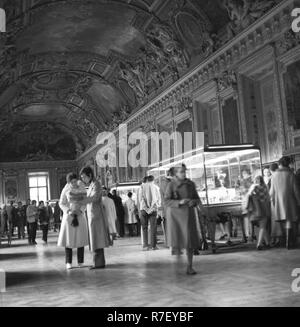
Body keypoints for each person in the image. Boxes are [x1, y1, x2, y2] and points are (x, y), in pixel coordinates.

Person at [164, 164, 202, 275]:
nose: (183, 173)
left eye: (184, 171)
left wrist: (193, 202)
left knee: (189, 242)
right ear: (176, 173)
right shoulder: (171, 185)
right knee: (177, 241)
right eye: (181, 172)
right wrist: (179, 202)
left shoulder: (190, 184)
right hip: (176, 216)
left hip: (188, 215)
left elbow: (197, 198)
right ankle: (178, 262)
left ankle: (189, 266)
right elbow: (166, 201)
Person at [80, 167, 110, 270]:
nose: (83, 179)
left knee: (97, 239)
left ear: (90, 175)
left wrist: (83, 201)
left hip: (96, 216)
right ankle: (97, 262)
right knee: (94, 239)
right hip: (92, 215)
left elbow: (96, 197)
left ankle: (99, 263)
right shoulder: (92, 185)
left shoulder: (96, 184)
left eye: (84, 177)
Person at [58, 173, 89, 270]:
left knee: (80, 239)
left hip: (80, 215)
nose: (74, 183)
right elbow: (61, 203)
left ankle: (80, 261)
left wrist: (81, 210)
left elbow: (85, 201)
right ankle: (68, 261)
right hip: (69, 216)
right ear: (68, 182)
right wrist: (68, 211)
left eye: (75, 181)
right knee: (68, 239)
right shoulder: (66, 189)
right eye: (72, 182)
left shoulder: (82, 188)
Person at [270, 157, 300, 249]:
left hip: (278, 201)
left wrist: (272, 200)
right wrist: (299, 201)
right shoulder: (291, 174)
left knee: (285, 220)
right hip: (290, 200)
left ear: (280, 164)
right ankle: (289, 242)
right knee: (290, 220)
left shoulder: (274, 175)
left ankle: (286, 242)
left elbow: (271, 191)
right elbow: (296, 190)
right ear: (288, 164)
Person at [247, 176, 271, 250]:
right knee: (263, 227)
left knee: (262, 227)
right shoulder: (265, 187)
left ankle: (267, 243)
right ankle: (259, 244)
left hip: (256, 209)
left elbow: (249, 195)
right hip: (264, 208)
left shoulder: (253, 187)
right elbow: (268, 198)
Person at [139, 175, 161, 251]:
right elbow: (158, 199)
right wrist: (152, 208)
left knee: (144, 228)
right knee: (153, 228)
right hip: (153, 210)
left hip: (143, 210)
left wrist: (146, 208)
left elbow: (140, 199)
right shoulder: (156, 187)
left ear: (147, 180)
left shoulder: (142, 187)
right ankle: (153, 246)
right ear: (153, 180)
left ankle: (145, 246)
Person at [238, 169, 254, 243]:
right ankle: (249, 235)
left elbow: (243, 191)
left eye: (244, 174)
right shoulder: (249, 180)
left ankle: (248, 235)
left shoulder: (245, 181)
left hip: (247, 202)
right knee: (248, 219)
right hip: (249, 202)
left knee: (247, 219)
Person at [269, 163, 282, 246]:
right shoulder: (283, 175)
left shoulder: (273, 177)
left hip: (275, 201)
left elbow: (271, 192)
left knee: (275, 221)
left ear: (270, 171)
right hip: (283, 201)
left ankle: (277, 239)